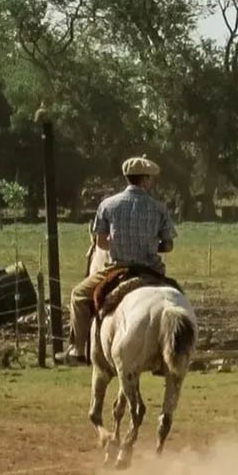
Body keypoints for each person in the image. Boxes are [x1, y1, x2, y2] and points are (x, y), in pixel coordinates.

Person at [60, 156, 176, 365]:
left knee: (78, 295)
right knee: (177, 300)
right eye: (151, 179)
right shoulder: (159, 208)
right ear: (145, 180)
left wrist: (120, 243)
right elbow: (168, 245)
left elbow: (101, 244)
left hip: (119, 269)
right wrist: (151, 245)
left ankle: (77, 348)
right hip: (151, 271)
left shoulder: (108, 205)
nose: (153, 183)